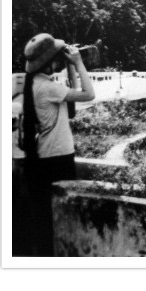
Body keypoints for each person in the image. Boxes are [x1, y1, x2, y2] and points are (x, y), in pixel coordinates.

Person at [18, 33, 95, 255]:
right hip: (58, 157)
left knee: (46, 216)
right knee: (61, 214)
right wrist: (78, 62)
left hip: (45, 156)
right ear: (49, 62)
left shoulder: (37, 84)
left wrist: (70, 67)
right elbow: (89, 94)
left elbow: (69, 113)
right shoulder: (49, 88)